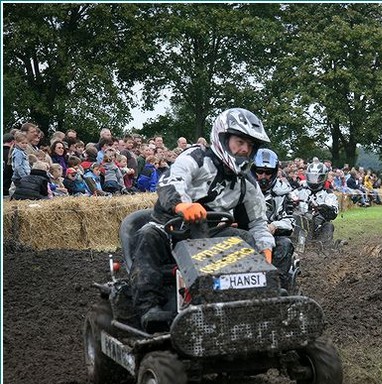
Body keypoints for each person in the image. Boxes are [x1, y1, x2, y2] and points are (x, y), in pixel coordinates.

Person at [129, 108, 275, 332]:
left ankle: (248, 304)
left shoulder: (247, 182)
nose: (245, 149)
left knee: (245, 238)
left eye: (250, 145)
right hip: (171, 228)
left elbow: (257, 222)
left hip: (210, 234)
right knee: (148, 235)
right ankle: (150, 309)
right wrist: (182, 204)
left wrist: (265, 250)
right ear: (223, 138)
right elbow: (170, 181)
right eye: (240, 142)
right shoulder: (196, 157)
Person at [250, 148, 297, 290]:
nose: (263, 176)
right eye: (260, 172)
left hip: (271, 237)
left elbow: (290, 220)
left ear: (275, 172)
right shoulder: (240, 187)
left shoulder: (282, 193)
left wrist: (274, 226)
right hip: (242, 234)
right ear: (253, 170)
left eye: (268, 172)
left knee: (285, 244)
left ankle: (276, 287)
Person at [293, 161, 339, 243]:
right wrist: (292, 202)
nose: (314, 181)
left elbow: (334, 212)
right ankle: (295, 243)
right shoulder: (299, 191)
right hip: (299, 225)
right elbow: (289, 197)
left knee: (328, 226)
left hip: (317, 227)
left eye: (317, 178)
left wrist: (323, 207)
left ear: (324, 178)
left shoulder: (328, 194)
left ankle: (324, 248)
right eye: (312, 178)